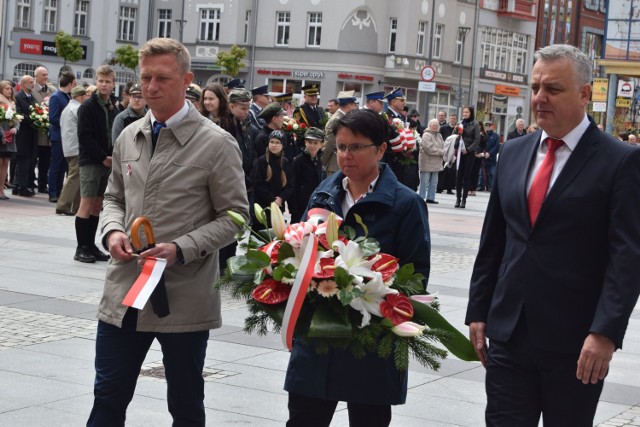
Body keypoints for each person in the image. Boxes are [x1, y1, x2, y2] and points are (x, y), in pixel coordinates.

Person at [465, 44, 640, 426]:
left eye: (553, 89)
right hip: (510, 332)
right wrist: (478, 309)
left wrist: (605, 333)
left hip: (576, 342)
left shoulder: (620, 161)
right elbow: (495, 239)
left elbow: (627, 255)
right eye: (535, 87)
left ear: (583, 94)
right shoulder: (512, 152)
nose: (540, 98)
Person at [87, 37, 249, 426]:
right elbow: (113, 198)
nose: (151, 87)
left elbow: (236, 218)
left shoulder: (216, 143)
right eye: (145, 77)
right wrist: (111, 233)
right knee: (107, 396)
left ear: (186, 79)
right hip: (125, 290)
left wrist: (181, 248)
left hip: (184, 294)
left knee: (186, 401)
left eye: (162, 78)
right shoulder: (129, 135)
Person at [285, 108, 431, 427]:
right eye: (340, 147)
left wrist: (367, 294)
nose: (345, 155)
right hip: (318, 337)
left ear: (379, 149)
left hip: (369, 342)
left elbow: (415, 276)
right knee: (303, 418)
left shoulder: (405, 204)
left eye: (355, 147)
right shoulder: (324, 193)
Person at [75, 65, 117, 263]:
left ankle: (91, 245)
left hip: (106, 162)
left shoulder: (112, 106)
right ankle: (81, 247)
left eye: (107, 81)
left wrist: (110, 157)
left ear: (113, 84)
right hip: (92, 161)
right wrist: (102, 157)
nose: (103, 84)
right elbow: (85, 137)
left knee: (97, 204)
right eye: (100, 81)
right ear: (96, 82)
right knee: (86, 203)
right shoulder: (88, 106)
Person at [56, 85, 88, 216]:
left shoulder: (68, 108)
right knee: (74, 177)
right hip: (76, 148)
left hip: (69, 147)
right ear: (81, 96)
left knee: (77, 177)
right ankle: (63, 205)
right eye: (85, 95)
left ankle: (76, 207)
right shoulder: (78, 108)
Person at [250, 129, 293, 224]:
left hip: (278, 207)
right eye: (271, 142)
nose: (274, 145)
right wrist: (272, 199)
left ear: (283, 145)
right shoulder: (261, 161)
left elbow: (290, 185)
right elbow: (258, 184)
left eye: (277, 142)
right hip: (263, 206)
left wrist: (281, 198)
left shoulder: (285, 162)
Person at [47, 71, 76, 203]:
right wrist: (66, 124)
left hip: (67, 137)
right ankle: (52, 191)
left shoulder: (67, 96)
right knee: (56, 165)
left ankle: (59, 191)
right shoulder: (56, 96)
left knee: (63, 166)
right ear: (70, 84)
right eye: (74, 83)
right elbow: (53, 118)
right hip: (58, 136)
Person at [289, 126, 325, 222]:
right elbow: (293, 185)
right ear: (305, 142)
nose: (312, 146)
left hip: (314, 204)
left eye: (315, 143)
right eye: (309, 142)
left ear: (321, 144)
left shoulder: (319, 160)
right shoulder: (298, 161)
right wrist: (293, 208)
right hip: (300, 206)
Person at [322, 91, 359, 176]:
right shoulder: (337, 119)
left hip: (340, 163)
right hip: (334, 165)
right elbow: (329, 143)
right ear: (349, 105)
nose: (355, 107)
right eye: (354, 104)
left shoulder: (343, 117)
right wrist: (322, 162)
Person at [12, 75, 38, 197]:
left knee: (27, 160)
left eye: (33, 82)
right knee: (23, 159)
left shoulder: (32, 97)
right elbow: (19, 114)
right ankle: (22, 186)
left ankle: (18, 185)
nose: (33, 84)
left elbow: (38, 110)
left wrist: (39, 118)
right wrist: (33, 119)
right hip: (22, 133)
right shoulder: (18, 97)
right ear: (22, 84)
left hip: (31, 133)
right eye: (30, 82)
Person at [32, 66, 55, 193]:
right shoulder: (32, 90)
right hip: (36, 131)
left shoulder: (52, 90)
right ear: (36, 77)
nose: (46, 77)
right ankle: (30, 181)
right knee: (32, 159)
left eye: (46, 74)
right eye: (43, 75)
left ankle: (42, 184)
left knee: (45, 161)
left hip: (48, 133)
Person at [454, 106, 480, 208]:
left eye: (467, 112)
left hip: (469, 153)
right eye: (464, 112)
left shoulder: (475, 124)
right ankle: (457, 199)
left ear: (471, 113)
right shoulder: (460, 123)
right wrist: (455, 130)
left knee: (466, 176)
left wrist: (468, 149)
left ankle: (464, 200)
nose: (465, 114)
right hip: (460, 152)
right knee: (458, 176)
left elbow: (477, 140)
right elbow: (455, 136)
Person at [418, 118, 445, 204]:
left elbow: (443, 145)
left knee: (434, 182)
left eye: (437, 125)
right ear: (429, 126)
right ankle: (421, 198)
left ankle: (431, 198)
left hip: (436, 162)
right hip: (427, 162)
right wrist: (441, 152)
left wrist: (443, 151)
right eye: (433, 125)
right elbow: (429, 148)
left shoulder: (439, 135)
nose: (435, 127)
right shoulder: (426, 135)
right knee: (424, 182)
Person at [0, 80, 17, 199]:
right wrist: (2, 135)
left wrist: (16, 128)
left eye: (10, 89)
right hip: (2, 135)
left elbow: (17, 118)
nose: (9, 90)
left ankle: (1, 190)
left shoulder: (13, 103)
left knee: (6, 163)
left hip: (10, 136)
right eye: (6, 88)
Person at [476, 121, 500, 192]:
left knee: (492, 173)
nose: (488, 126)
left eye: (490, 125)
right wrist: (483, 152)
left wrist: (489, 153)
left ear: (492, 126)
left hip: (491, 157)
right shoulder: (482, 135)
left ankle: (490, 187)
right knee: (481, 173)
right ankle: (481, 186)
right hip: (483, 156)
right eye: (486, 125)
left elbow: (496, 146)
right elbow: (480, 145)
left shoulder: (495, 136)